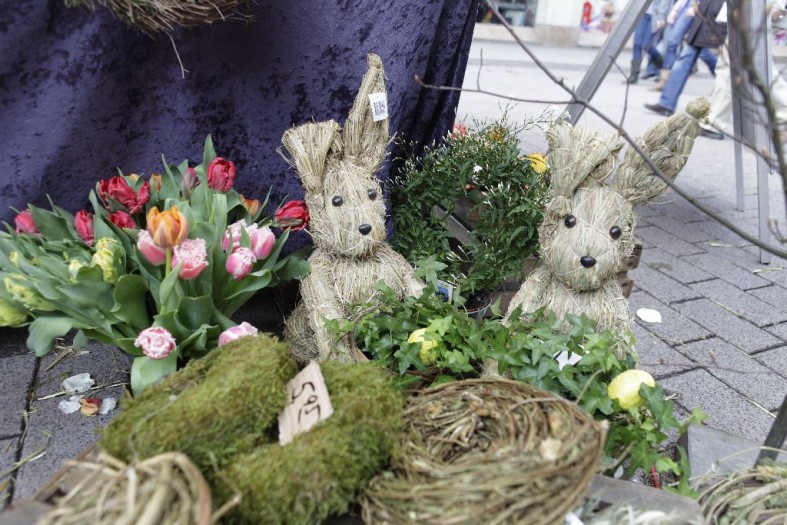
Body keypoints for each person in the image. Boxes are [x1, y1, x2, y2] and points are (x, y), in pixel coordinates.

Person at [700, 1, 787, 139]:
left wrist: (777, 5)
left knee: (754, 67)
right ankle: (714, 120)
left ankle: (714, 121)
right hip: (749, 11)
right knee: (733, 68)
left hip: (755, 11)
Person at [644, 0, 726, 116]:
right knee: (685, 58)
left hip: (713, 19)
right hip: (701, 17)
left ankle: (734, 90)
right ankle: (666, 103)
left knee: (719, 67)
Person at [652, 0, 719, 90]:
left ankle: (721, 76)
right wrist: (675, 10)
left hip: (700, 6)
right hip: (687, 5)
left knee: (699, 48)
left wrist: (696, 5)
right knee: (672, 43)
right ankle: (665, 80)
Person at [628, 0, 671, 83]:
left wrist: (661, 17)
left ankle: (664, 68)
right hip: (643, 14)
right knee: (637, 44)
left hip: (655, 16)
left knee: (647, 45)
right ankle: (634, 74)